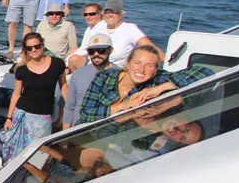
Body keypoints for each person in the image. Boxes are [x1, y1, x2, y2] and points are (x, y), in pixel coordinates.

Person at [79, 44, 213, 124]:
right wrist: (122, 106)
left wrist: (160, 88)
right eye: (137, 63)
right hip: (92, 137)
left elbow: (207, 73)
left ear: (155, 70)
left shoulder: (158, 79)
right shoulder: (104, 77)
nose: (141, 70)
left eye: (149, 65)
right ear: (128, 64)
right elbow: (86, 114)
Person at [0, 33, 68, 163]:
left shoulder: (57, 64)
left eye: (37, 46)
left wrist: (70, 107)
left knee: (40, 152)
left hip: (42, 117)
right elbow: (16, 94)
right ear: (25, 50)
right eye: (29, 48)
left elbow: (63, 85)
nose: (34, 50)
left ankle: (36, 179)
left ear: (42, 45)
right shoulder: (21, 69)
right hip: (22, 114)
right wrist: (9, 118)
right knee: (17, 154)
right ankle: (17, 179)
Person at [73, 0, 163, 70]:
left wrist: (168, 63)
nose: (110, 15)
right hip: (92, 68)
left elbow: (151, 48)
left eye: (114, 12)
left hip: (112, 72)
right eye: (107, 12)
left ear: (121, 14)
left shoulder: (130, 29)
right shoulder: (98, 28)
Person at [63, 33, 115, 129]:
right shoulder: (78, 74)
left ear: (111, 50)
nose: (96, 54)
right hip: (77, 129)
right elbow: (70, 107)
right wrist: (64, 136)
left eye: (101, 50)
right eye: (91, 51)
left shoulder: (120, 74)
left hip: (105, 132)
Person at [66, 2, 108, 72]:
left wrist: (66, 63)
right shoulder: (90, 28)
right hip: (90, 56)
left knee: (73, 59)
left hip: (97, 60)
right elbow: (83, 47)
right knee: (72, 50)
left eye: (92, 14)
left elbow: (86, 50)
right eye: (85, 14)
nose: (88, 17)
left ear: (99, 14)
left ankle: (77, 77)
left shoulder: (101, 29)